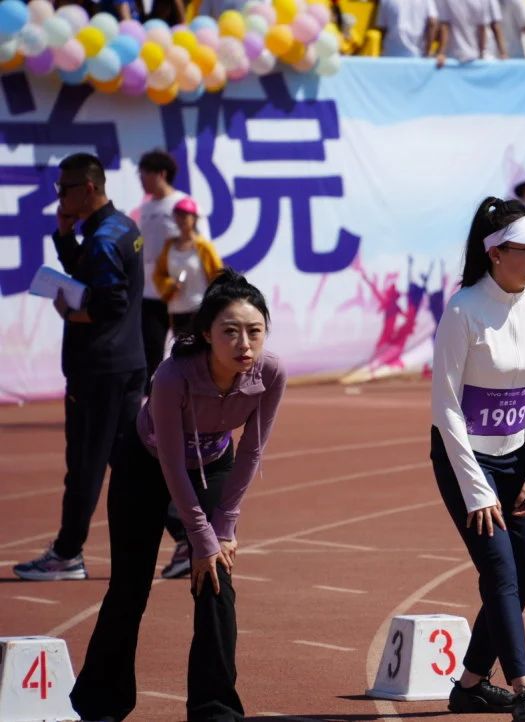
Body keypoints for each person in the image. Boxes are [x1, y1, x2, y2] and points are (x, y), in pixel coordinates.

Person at [70, 269, 287, 722]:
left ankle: (215, 710)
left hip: (214, 464)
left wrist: (223, 530)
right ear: (207, 334)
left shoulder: (270, 372)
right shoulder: (172, 377)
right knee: (130, 586)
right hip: (146, 466)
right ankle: (100, 704)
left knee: (216, 579)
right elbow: (170, 462)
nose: (244, 344)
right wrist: (199, 538)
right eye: (230, 331)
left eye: (255, 331)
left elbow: (251, 451)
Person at [430, 197, 525, 722]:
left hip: (517, 458)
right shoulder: (463, 310)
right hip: (465, 459)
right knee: (500, 570)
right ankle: (524, 687)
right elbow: (445, 407)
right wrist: (476, 490)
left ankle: (469, 685)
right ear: (495, 253)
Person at [13, 153, 145, 582]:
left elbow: (109, 304)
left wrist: (69, 314)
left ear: (88, 188)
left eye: (64, 189)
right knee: (130, 460)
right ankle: (187, 537)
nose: (59, 197)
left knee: (86, 465)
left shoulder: (104, 239)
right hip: (126, 362)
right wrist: (65, 236)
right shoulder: (121, 226)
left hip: (98, 369)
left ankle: (68, 553)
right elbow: (89, 276)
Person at [136, 149, 186, 395]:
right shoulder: (144, 209)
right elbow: (140, 246)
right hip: (149, 291)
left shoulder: (182, 204)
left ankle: (188, 399)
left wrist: (182, 280)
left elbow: (197, 246)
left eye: (144, 173)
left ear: (161, 174)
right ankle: (151, 404)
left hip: (180, 292)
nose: (141, 179)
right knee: (150, 349)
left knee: (185, 349)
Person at [152, 197, 225, 336]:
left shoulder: (204, 247)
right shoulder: (169, 246)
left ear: (194, 219)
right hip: (177, 310)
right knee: (182, 347)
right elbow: (159, 274)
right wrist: (170, 285)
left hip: (200, 309)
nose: (181, 219)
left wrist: (215, 302)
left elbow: (218, 275)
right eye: (178, 215)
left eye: (185, 215)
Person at [435, 0, 506, 67]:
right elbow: (483, 28)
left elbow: (444, 26)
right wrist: (482, 54)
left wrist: (441, 53)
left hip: (454, 56)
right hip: (477, 56)